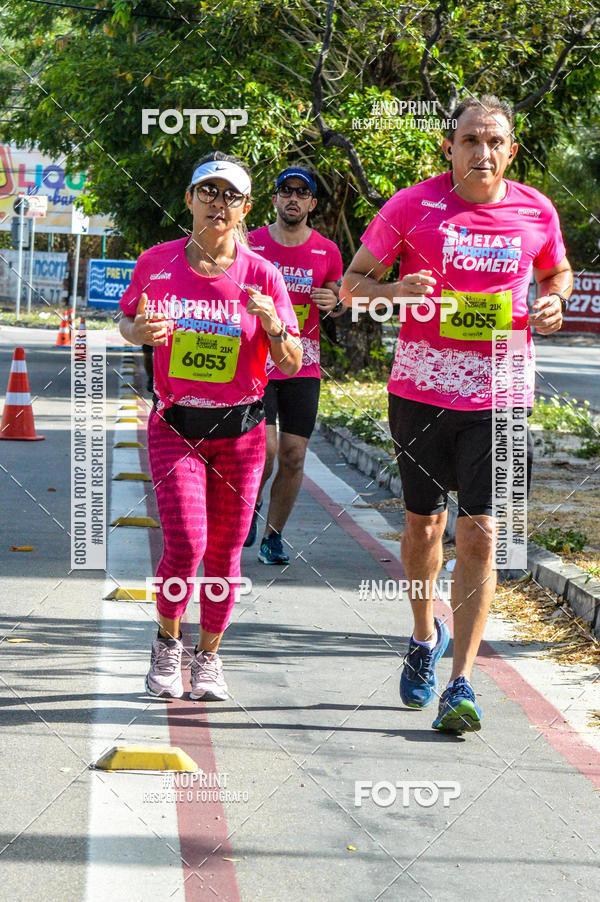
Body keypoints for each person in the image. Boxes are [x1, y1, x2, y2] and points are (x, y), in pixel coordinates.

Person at [340, 95, 572, 732]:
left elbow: (558, 272)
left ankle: (462, 683)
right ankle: (423, 635)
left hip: (501, 396)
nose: (483, 152)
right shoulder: (412, 207)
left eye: (494, 141)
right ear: (450, 147)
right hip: (420, 392)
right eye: (470, 140)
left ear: (511, 150)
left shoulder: (535, 209)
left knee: (482, 535)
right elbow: (352, 285)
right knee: (423, 531)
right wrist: (392, 289)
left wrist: (552, 301)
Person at [119, 153, 301, 701]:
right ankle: (167, 644)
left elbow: (291, 361)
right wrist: (141, 330)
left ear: (246, 209)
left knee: (224, 554)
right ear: (189, 200)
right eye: (208, 192)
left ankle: (209, 658)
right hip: (175, 425)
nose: (217, 204)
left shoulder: (262, 275)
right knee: (186, 543)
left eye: (230, 196)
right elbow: (128, 322)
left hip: (241, 432)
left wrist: (272, 326)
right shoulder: (156, 261)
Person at [244, 166, 344, 564]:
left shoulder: (327, 250)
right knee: (265, 450)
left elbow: (337, 300)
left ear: (312, 203)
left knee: (293, 456)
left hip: (304, 365)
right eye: (286, 191)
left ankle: (273, 536)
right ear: (274, 199)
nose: (293, 198)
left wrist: (333, 303)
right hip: (257, 362)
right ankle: (246, 507)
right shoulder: (250, 244)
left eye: (302, 193)